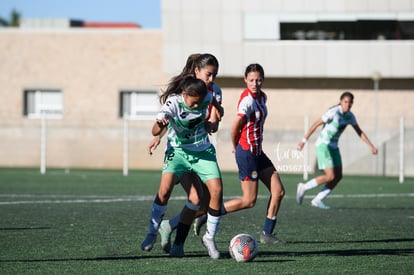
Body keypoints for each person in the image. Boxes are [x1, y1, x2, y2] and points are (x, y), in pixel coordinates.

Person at [141, 55, 224, 259]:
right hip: (178, 151)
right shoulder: (177, 99)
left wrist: (214, 119)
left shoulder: (211, 94)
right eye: (208, 74)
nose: (212, 79)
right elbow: (165, 120)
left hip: (202, 150)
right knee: (170, 192)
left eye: (215, 74)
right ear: (196, 71)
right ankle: (154, 231)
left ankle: (202, 238)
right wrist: (158, 134)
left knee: (208, 196)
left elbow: (214, 116)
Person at [194, 63, 286, 244]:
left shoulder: (262, 97)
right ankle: (210, 213)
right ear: (245, 80)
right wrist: (236, 146)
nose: (255, 83)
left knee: (278, 191)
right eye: (251, 80)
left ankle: (267, 234)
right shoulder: (248, 101)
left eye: (258, 80)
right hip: (247, 153)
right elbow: (235, 128)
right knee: (249, 200)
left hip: (258, 152)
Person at [296, 91, 378, 209]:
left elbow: (359, 132)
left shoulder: (350, 116)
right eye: (345, 102)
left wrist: (371, 146)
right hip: (323, 145)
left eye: (350, 103)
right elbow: (315, 125)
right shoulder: (333, 112)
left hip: (334, 147)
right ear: (340, 102)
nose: (347, 105)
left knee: (338, 176)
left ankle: (318, 199)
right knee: (330, 176)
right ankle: (304, 187)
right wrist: (303, 141)